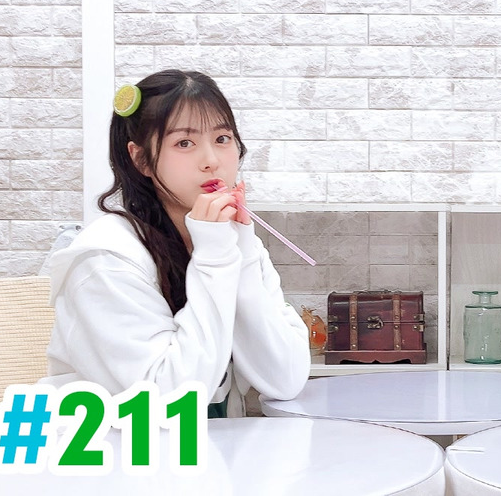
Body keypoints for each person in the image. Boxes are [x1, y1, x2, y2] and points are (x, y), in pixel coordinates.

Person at [42, 70, 310, 417]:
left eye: (223, 138)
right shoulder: (106, 257)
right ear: (141, 159)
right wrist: (215, 256)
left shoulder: (233, 244)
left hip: (208, 445)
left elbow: (285, 379)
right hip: (110, 444)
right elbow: (170, 399)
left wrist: (240, 249)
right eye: (184, 143)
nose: (211, 160)